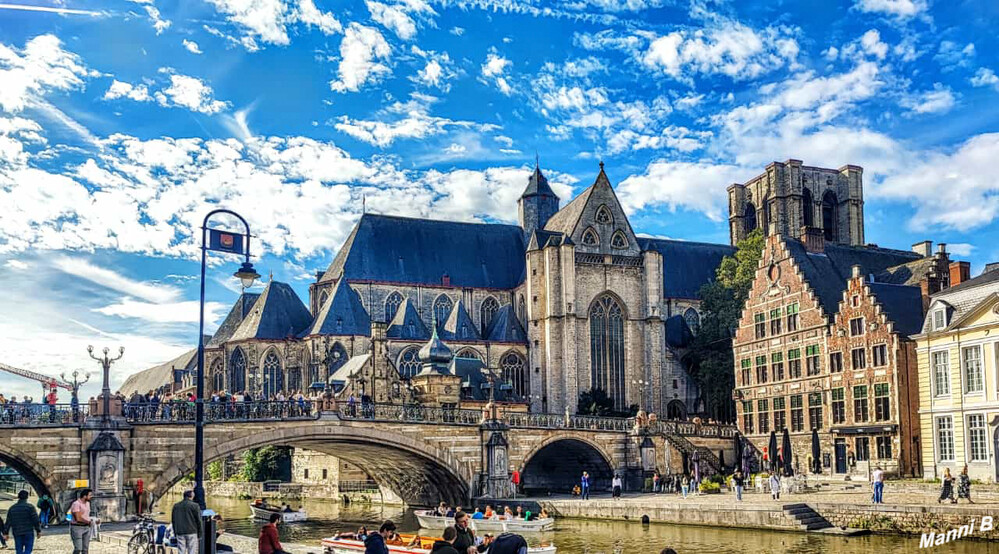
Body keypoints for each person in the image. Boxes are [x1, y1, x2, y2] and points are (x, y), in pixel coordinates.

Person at [2, 490, 41, 554]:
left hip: (17, 532)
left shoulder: (12, 508)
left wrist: (6, 533)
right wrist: (38, 530)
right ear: (27, 497)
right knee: (28, 550)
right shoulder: (30, 507)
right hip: (28, 531)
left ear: (18, 497)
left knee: (19, 550)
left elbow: (8, 522)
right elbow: (35, 520)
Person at [171, 490, 202, 554]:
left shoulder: (176, 506)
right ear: (192, 496)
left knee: (181, 550)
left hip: (180, 531)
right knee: (192, 550)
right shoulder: (195, 505)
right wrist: (200, 533)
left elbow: (173, 520)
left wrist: (175, 532)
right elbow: (198, 520)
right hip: (191, 531)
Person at [70, 489, 94, 554]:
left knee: (85, 549)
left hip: (86, 527)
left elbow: (86, 515)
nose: (91, 496)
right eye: (90, 495)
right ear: (84, 496)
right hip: (77, 528)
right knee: (78, 548)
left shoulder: (88, 503)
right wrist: (88, 522)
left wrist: (93, 520)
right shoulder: (76, 504)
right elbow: (78, 518)